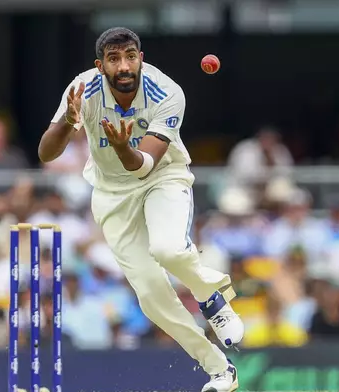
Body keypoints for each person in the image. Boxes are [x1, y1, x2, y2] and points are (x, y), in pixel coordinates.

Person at [38, 27, 243, 392]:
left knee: (168, 249)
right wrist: (70, 122)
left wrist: (121, 149)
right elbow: (45, 153)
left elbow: (146, 163)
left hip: (162, 178)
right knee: (151, 298)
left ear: (140, 59)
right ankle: (218, 369)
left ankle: (212, 297)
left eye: (130, 56)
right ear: (100, 66)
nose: (124, 66)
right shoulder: (82, 90)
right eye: (114, 59)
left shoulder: (167, 92)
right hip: (111, 195)